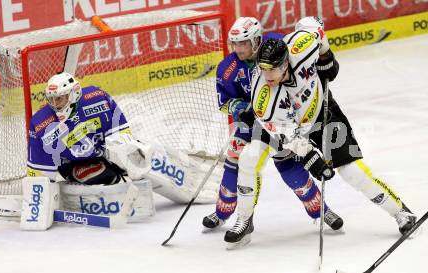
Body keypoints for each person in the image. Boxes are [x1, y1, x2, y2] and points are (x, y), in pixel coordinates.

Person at [225, 16, 417, 246]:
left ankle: (400, 212)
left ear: (286, 62)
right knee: (248, 157)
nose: (268, 76)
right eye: (263, 69)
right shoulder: (263, 98)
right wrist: (311, 158)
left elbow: (313, 24)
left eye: (272, 69)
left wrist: (326, 57)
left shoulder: (300, 46)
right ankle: (244, 219)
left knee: (351, 172)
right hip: (285, 127)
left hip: (322, 114)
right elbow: (287, 136)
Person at [203, 17, 343, 241]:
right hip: (251, 124)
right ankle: (224, 213)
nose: (238, 49)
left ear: (257, 40)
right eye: (235, 44)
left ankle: (321, 211)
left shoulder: (277, 45)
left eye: (244, 43)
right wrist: (241, 107)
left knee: (290, 166)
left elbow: (301, 66)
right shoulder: (227, 69)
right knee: (235, 163)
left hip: (283, 120)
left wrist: (322, 67)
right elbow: (224, 102)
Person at [23, 72, 220, 229]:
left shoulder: (96, 98)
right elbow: (41, 172)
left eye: (60, 98)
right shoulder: (41, 123)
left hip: (106, 151)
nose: (55, 104)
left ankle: (189, 180)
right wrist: (40, 198)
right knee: (95, 171)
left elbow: (122, 134)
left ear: (74, 94)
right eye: (52, 99)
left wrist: (126, 158)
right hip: (76, 165)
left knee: (139, 154)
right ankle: (119, 183)